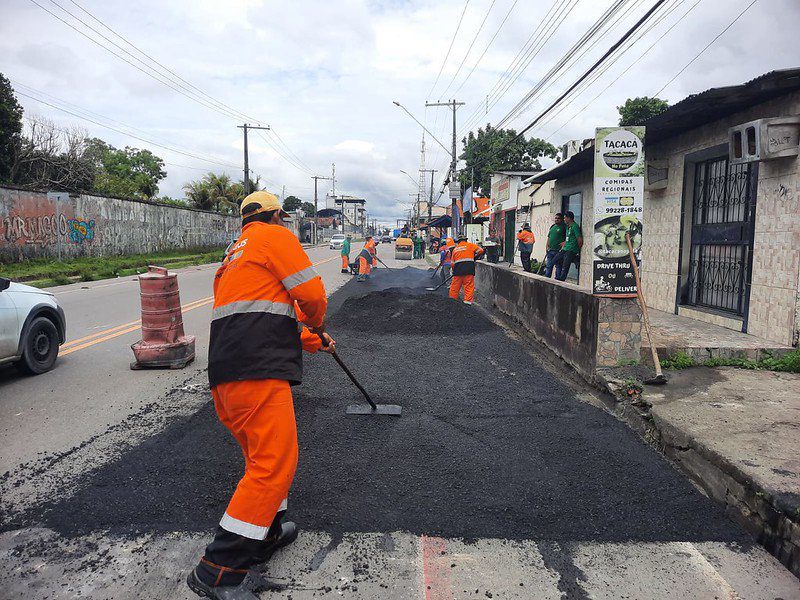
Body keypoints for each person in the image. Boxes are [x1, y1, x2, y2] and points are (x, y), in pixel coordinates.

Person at [188, 191, 335, 600]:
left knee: (261, 458)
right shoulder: (275, 238)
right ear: (277, 217)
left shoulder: (233, 257)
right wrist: (317, 322)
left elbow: (258, 317)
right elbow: (311, 297)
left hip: (228, 374)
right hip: (258, 371)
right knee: (272, 466)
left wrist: (312, 340)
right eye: (284, 219)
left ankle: (265, 532)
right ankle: (218, 569)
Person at [449, 233, 485, 305]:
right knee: (468, 286)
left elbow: (452, 263)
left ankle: (452, 302)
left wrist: (454, 271)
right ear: (466, 240)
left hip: (458, 270)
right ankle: (467, 303)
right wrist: (474, 256)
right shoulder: (470, 245)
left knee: (454, 287)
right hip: (469, 269)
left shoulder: (455, 249)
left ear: (458, 241)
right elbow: (481, 250)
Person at [555, 211, 583, 281]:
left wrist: (577, 250)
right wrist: (564, 244)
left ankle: (561, 279)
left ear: (569, 218)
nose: (564, 219)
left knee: (565, 266)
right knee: (555, 260)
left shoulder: (575, 226)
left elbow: (579, 239)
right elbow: (569, 238)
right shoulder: (568, 227)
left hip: (571, 249)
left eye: (565, 218)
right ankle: (574, 259)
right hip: (565, 248)